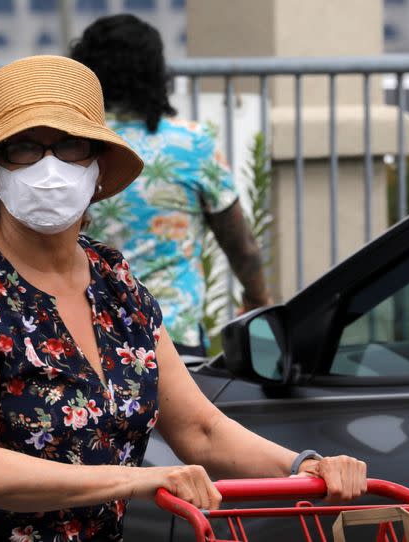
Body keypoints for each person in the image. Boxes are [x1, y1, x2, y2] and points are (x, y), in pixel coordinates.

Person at [0, 55, 366, 541]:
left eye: (72, 147)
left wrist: (306, 465)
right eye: (24, 148)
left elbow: (199, 429)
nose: (50, 167)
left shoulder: (115, 283)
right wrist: (140, 480)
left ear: (98, 171)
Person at [71, 14, 273, 357]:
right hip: (173, 335)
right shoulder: (192, 144)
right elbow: (242, 246)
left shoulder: (74, 148)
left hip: (88, 332)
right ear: (157, 75)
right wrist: (258, 299)